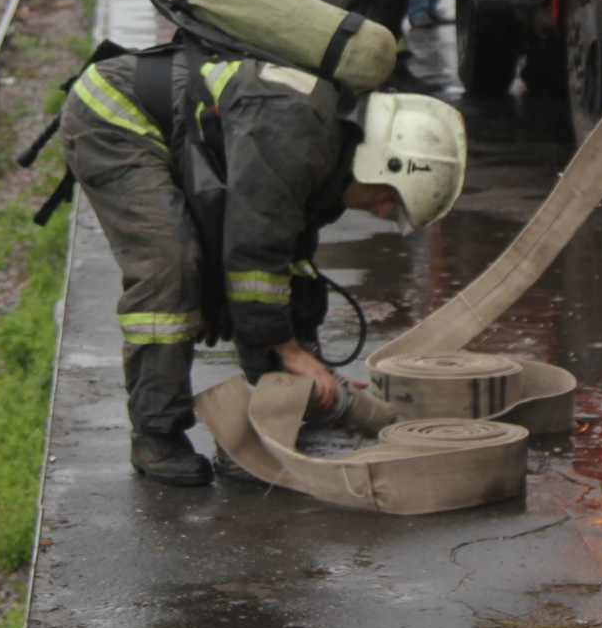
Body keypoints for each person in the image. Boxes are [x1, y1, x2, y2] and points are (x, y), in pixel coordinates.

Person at [57, 42, 469, 485]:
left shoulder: (332, 151)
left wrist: (307, 370)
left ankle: (272, 397)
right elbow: (251, 255)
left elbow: (281, 265)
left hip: (168, 120)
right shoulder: (297, 137)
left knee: (273, 271)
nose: (385, 213)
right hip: (114, 115)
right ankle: (155, 435)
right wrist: (289, 353)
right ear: (379, 163)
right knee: (170, 265)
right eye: (391, 199)